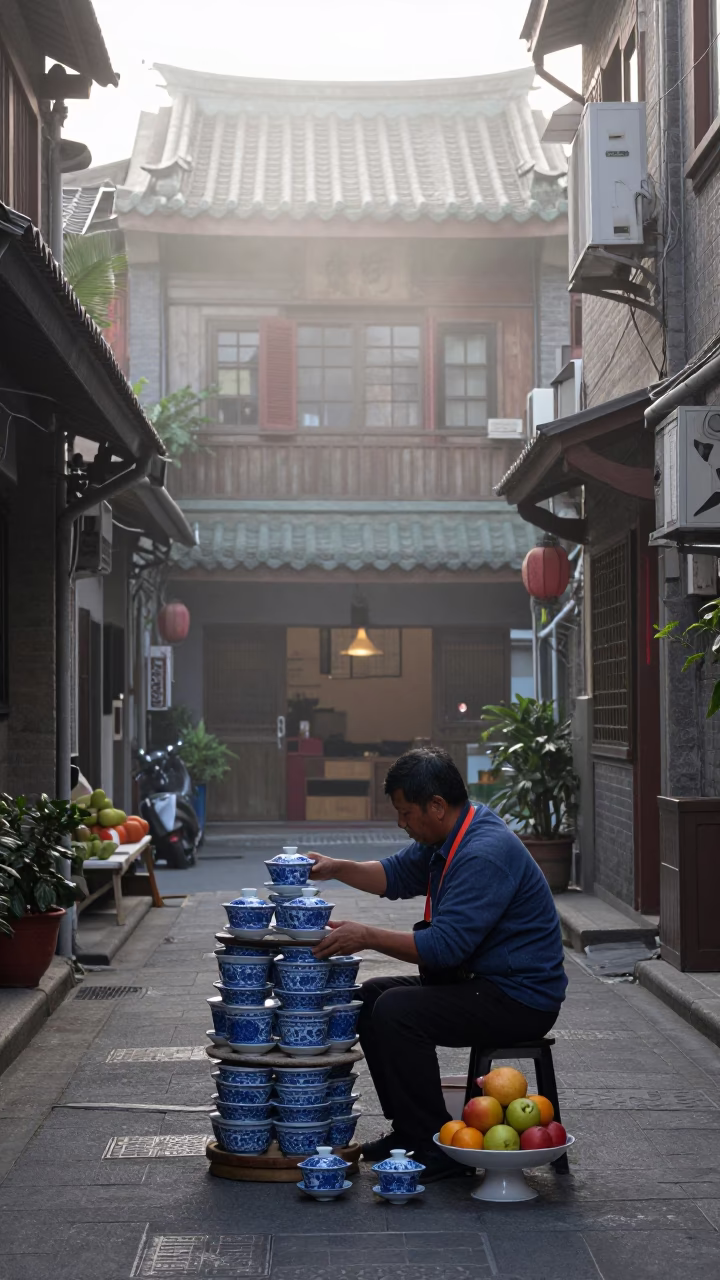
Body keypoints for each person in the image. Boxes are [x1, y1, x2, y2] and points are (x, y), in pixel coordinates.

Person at [310, 745, 567, 1181]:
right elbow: (394, 875)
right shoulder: (450, 835)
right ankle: (409, 1130)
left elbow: (445, 947)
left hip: (520, 997)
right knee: (372, 997)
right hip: (482, 982)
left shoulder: (482, 851)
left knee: (397, 1010)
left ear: (437, 805)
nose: (401, 823)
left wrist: (366, 936)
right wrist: (337, 868)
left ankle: (438, 1143)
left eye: (407, 813)